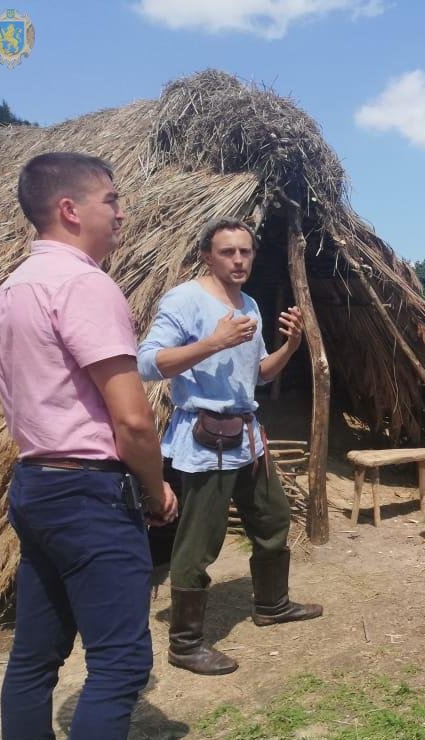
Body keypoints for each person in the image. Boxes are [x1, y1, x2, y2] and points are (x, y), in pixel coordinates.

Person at [0, 152, 178, 740]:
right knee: (123, 665)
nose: (121, 212)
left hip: (35, 484)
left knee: (35, 657)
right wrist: (155, 484)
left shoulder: (12, 291)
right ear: (71, 209)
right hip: (89, 492)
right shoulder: (86, 286)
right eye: (111, 199)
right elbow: (131, 420)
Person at [138, 217, 322, 676]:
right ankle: (185, 643)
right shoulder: (185, 299)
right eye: (227, 252)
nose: (239, 260)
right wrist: (212, 341)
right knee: (200, 540)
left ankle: (272, 604)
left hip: (247, 436)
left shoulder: (250, 304)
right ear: (207, 255)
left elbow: (259, 373)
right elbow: (147, 363)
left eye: (245, 252)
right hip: (205, 438)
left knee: (273, 517)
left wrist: (291, 345)